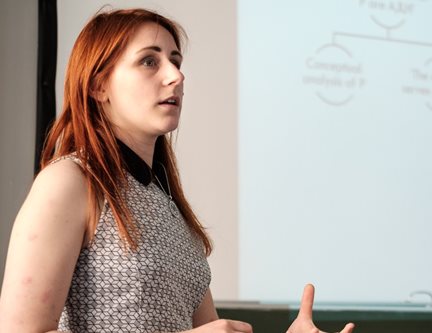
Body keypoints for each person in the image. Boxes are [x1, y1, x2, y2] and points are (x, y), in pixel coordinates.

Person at [0, 7, 354, 333]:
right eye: (149, 62)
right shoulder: (70, 181)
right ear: (99, 85)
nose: (176, 75)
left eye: (175, 60)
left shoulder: (169, 206)